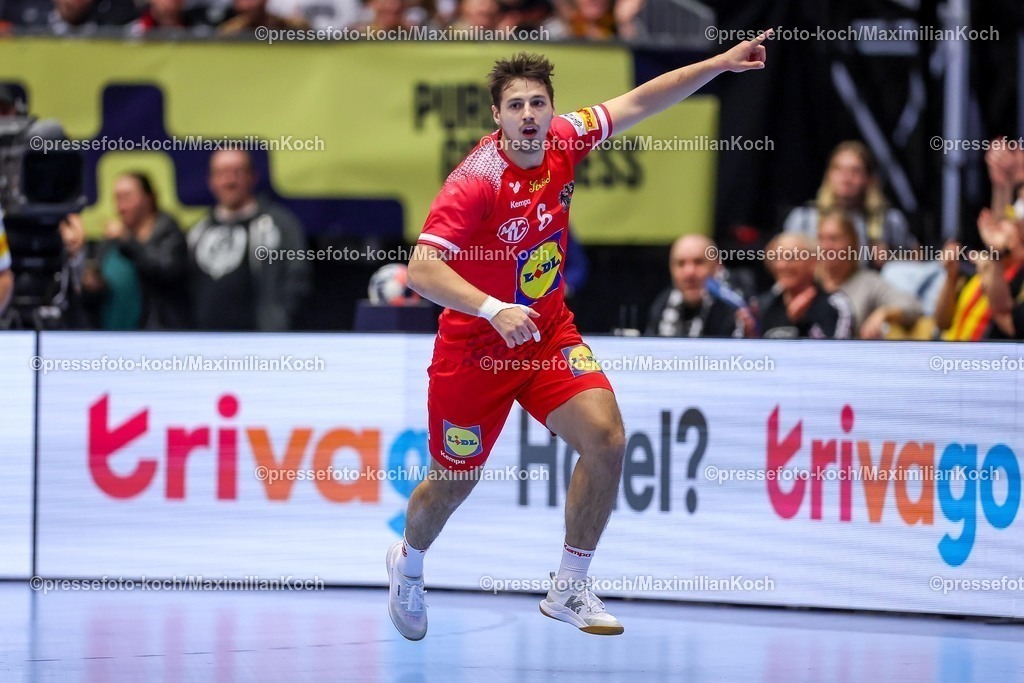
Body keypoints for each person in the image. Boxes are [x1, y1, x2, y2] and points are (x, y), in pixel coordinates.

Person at [388, 35, 772, 641]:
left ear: (550, 108)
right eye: (515, 105)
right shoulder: (475, 181)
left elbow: (644, 100)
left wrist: (722, 63)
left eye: (537, 103)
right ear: (497, 115)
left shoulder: (566, 137)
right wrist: (492, 308)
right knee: (451, 484)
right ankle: (408, 564)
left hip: (544, 333)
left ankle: (569, 585)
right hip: (475, 349)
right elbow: (422, 270)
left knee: (607, 439)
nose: (529, 115)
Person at [187, 150, 310, 331]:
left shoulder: (280, 225)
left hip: (261, 341)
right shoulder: (198, 230)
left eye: (237, 172)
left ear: (252, 177)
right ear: (211, 181)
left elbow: (297, 277)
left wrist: (278, 318)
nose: (229, 181)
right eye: (221, 173)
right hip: (204, 341)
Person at [783, 141, 916, 269]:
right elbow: (783, 260)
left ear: (869, 178)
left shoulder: (890, 220)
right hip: (819, 287)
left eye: (855, 171)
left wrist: (891, 257)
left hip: (869, 287)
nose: (846, 178)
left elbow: (917, 259)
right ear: (829, 175)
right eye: (839, 169)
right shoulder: (804, 218)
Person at [816, 210, 921, 339]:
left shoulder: (867, 283)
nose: (825, 246)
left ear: (852, 243)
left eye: (834, 239)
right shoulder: (809, 280)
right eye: (821, 238)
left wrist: (883, 313)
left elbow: (912, 307)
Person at [107, 172, 191, 329]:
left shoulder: (168, 231)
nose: (121, 207)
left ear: (149, 197)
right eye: (117, 198)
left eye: (127, 197)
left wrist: (128, 242)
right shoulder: (113, 240)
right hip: (122, 331)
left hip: (162, 331)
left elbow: (166, 271)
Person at [936, 209, 1024, 341]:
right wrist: (950, 277)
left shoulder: (1018, 277)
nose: (993, 233)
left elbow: (1008, 321)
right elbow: (942, 323)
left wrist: (994, 255)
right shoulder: (975, 268)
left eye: (1000, 228)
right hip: (949, 352)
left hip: (983, 357)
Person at [645, 234, 744, 338]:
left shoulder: (733, 306)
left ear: (717, 265)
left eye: (699, 262)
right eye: (681, 264)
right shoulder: (662, 304)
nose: (689, 273)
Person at [757, 233, 853, 339]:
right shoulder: (763, 306)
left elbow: (835, 351)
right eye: (777, 258)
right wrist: (750, 333)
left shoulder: (835, 305)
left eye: (791, 257)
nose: (782, 265)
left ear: (813, 262)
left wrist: (802, 323)